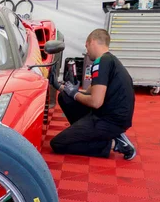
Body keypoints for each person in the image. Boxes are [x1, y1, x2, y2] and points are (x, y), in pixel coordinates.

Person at [50, 29, 136, 160]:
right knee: (65, 97)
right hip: (113, 116)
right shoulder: (110, 61)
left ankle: (115, 143)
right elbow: (89, 92)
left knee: (57, 144)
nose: (86, 50)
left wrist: (74, 94)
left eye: (86, 45)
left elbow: (95, 102)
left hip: (109, 120)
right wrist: (61, 87)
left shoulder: (100, 62)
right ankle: (96, 134)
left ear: (92, 42)